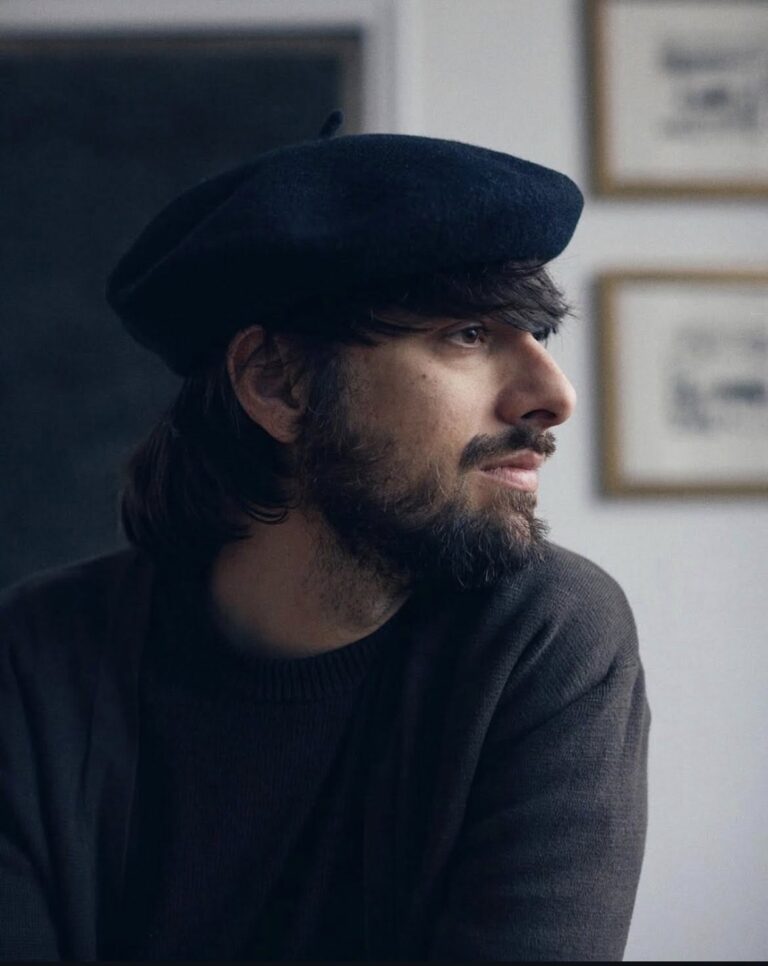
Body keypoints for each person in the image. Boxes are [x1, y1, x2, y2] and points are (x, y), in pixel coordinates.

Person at [0, 112, 650, 961]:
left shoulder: (545, 636)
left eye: (541, 335)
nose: (554, 395)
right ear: (277, 384)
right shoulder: (33, 659)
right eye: (467, 333)